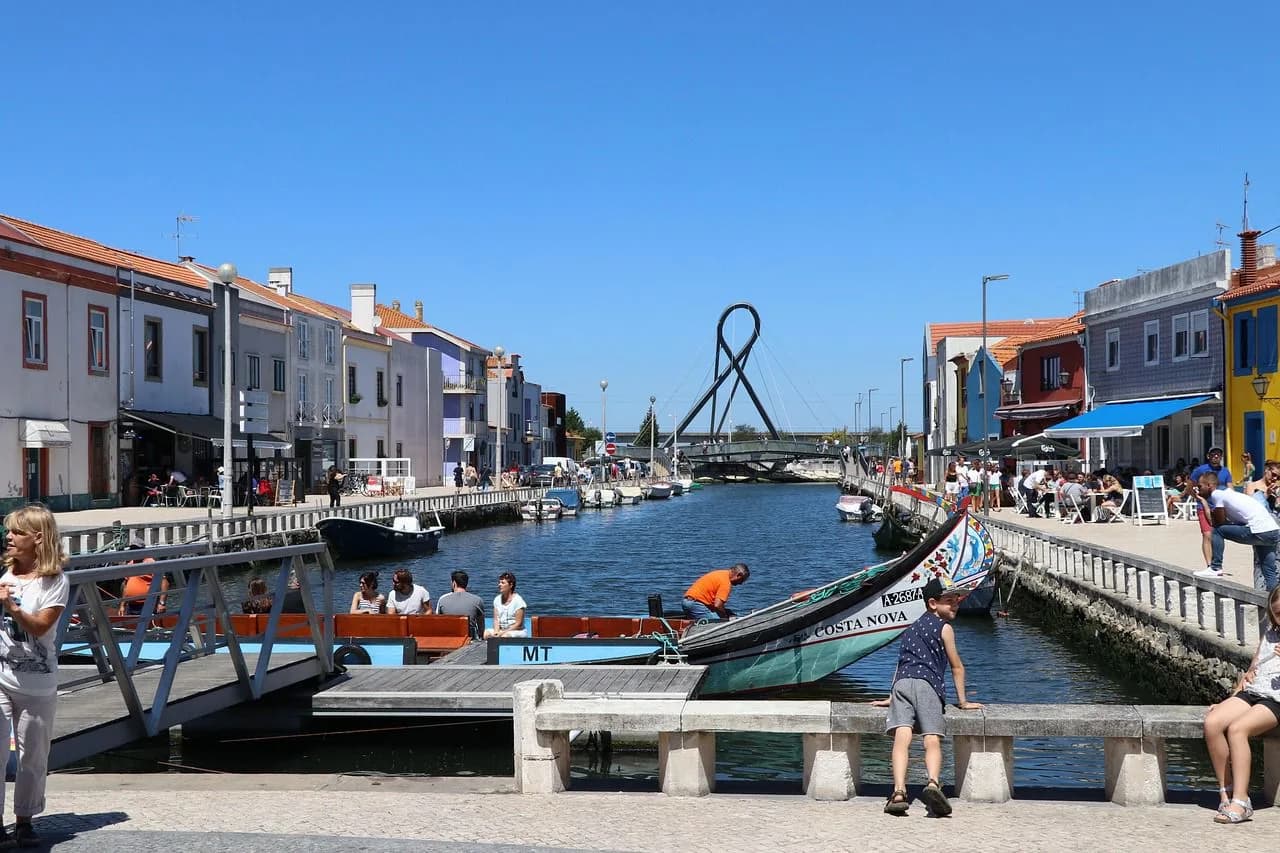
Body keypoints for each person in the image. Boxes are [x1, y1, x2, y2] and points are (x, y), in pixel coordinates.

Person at [871, 577, 982, 816]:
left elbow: (900, 664)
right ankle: (933, 783)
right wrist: (962, 701)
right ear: (933, 603)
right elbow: (957, 667)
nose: (955, 606)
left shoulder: (910, 628)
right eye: (949, 601)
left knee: (902, 737)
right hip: (927, 685)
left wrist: (892, 696)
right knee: (931, 738)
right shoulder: (945, 628)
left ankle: (899, 791)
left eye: (957, 601)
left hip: (902, 684)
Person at [0, 505, 71, 847]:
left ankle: (24, 819)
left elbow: (42, 627)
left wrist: (13, 609)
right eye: (8, 531)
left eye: (16, 532)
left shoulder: (55, 581)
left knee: (32, 755)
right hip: (1, 675)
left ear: (37, 538)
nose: (8, 537)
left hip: (38, 683)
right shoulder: (3, 575)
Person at [1202, 584, 1280, 823]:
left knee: (1238, 729)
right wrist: (1232, 697)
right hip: (1254, 691)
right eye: (1277, 613)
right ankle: (1225, 790)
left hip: (1276, 699)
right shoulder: (1271, 631)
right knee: (1213, 722)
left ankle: (1241, 801)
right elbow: (1253, 667)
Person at [1194, 471, 1280, 590]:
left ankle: (1215, 568)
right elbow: (1221, 521)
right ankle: (1275, 603)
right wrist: (1204, 501)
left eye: (1200, 486)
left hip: (1259, 531)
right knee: (1269, 570)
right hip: (1273, 531)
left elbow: (1216, 525)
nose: (1198, 490)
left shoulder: (1217, 494)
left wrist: (1204, 502)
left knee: (1217, 531)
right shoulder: (1229, 494)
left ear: (1209, 485)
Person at [118, 536, 168, 617]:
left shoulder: (150, 562)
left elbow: (164, 582)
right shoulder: (130, 564)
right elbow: (125, 586)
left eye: (137, 549)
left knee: (145, 626)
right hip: (131, 606)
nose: (134, 551)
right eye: (133, 549)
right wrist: (122, 605)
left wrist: (162, 603)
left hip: (147, 604)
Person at [682, 563, 750, 622]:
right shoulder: (726, 582)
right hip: (695, 605)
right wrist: (724, 618)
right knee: (720, 622)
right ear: (739, 575)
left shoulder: (721, 573)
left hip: (687, 602)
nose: (740, 583)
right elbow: (718, 605)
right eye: (742, 580)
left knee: (727, 612)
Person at [436, 570, 487, 640]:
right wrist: (481, 637)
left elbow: (439, 623)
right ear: (466, 584)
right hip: (469, 640)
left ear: (454, 583)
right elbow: (481, 626)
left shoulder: (443, 600)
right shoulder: (477, 600)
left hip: (449, 639)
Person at [484, 572, 527, 638]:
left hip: (517, 631)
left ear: (511, 585)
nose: (499, 585)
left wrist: (503, 633)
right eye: (499, 582)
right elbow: (496, 620)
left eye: (502, 583)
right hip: (501, 630)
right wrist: (496, 632)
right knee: (486, 633)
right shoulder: (497, 599)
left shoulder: (518, 601)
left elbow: (518, 624)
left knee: (505, 636)